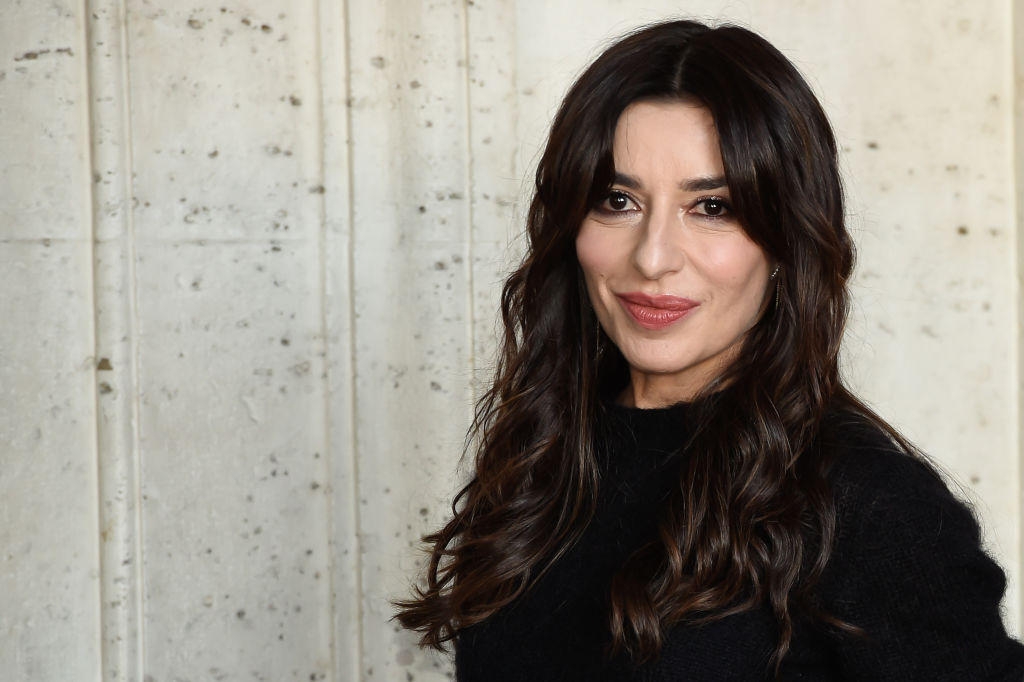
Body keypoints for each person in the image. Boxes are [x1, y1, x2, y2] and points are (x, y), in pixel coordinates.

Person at [395, 18, 1024, 681]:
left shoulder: (872, 511)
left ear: (787, 241)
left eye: (713, 207)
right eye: (618, 200)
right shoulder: (542, 470)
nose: (654, 257)